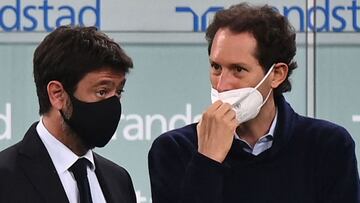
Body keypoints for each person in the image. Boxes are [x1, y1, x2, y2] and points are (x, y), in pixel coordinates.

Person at [148, 3, 360, 203]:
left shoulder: (328, 146)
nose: (222, 85)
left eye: (238, 69)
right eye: (216, 67)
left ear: (277, 74)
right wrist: (207, 161)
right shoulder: (173, 150)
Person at [0, 26, 136, 203]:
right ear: (57, 94)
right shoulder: (5, 177)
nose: (113, 104)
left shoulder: (119, 180)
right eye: (102, 91)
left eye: (118, 92)